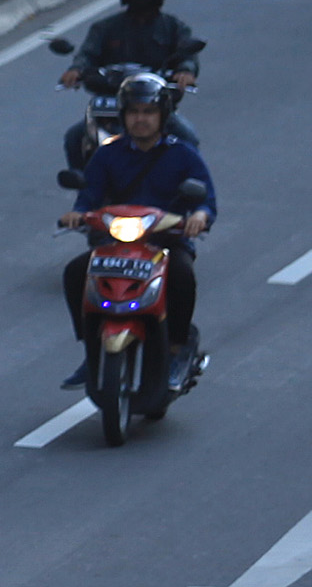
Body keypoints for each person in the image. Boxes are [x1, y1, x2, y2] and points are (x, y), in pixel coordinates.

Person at [60, 71, 211, 388]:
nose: (140, 119)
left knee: (182, 275)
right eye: (134, 112)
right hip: (116, 242)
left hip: (167, 241)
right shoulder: (107, 153)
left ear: (162, 116)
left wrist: (198, 216)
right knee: (75, 273)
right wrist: (77, 214)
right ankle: (91, 350)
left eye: (148, 112)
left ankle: (177, 350)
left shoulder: (182, 153)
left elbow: (206, 199)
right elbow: (89, 195)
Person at [58, 0, 202, 168]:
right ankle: (84, 185)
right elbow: (87, 54)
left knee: (187, 137)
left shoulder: (173, 28)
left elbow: (187, 55)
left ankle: (188, 185)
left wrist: (185, 71)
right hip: (112, 104)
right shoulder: (104, 28)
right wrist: (76, 70)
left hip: (155, 105)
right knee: (74, 137)